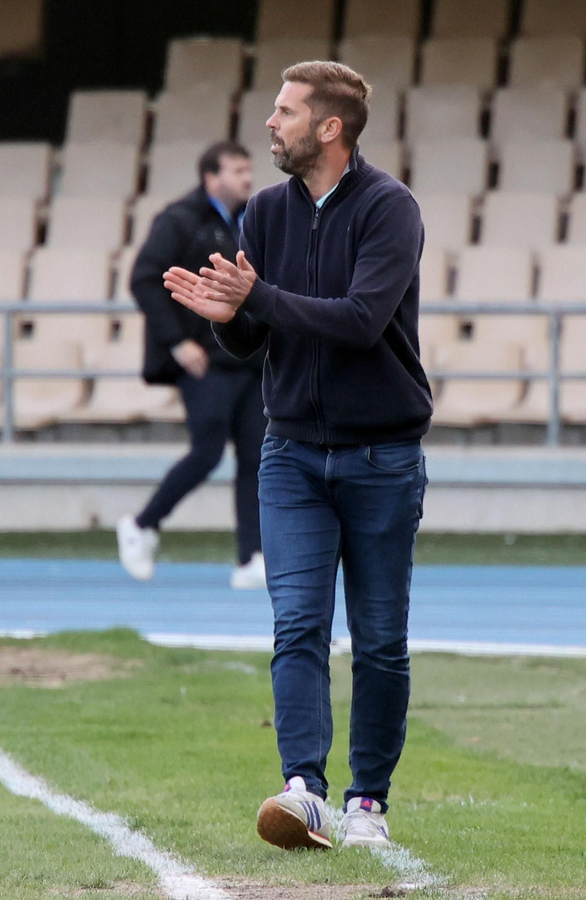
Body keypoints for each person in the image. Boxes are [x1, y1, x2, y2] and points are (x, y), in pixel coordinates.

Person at [163, 61, 431, 850]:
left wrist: (258, 301)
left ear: (329, 129)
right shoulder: (265, 213)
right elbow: (255, 335)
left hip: (382, 458)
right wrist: (228, 319)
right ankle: (304, 791)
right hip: (291, 457)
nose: (270, 125)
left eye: (284, 113)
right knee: (298, 628)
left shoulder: (390, 209)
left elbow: (357, 321)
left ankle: (367, 805)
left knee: (380, 641)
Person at [119, 140, 267, 590]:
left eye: (248, 168)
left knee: (256, 458)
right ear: (211, 178)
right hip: (203, 361)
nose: (247, 177)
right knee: (207, 451)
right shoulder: (179, 220)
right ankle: (143, 525)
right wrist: (177, 341)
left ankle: (252, 557)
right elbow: (144, 278)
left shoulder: (255, 221)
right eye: (237, 170)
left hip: (250, 358)